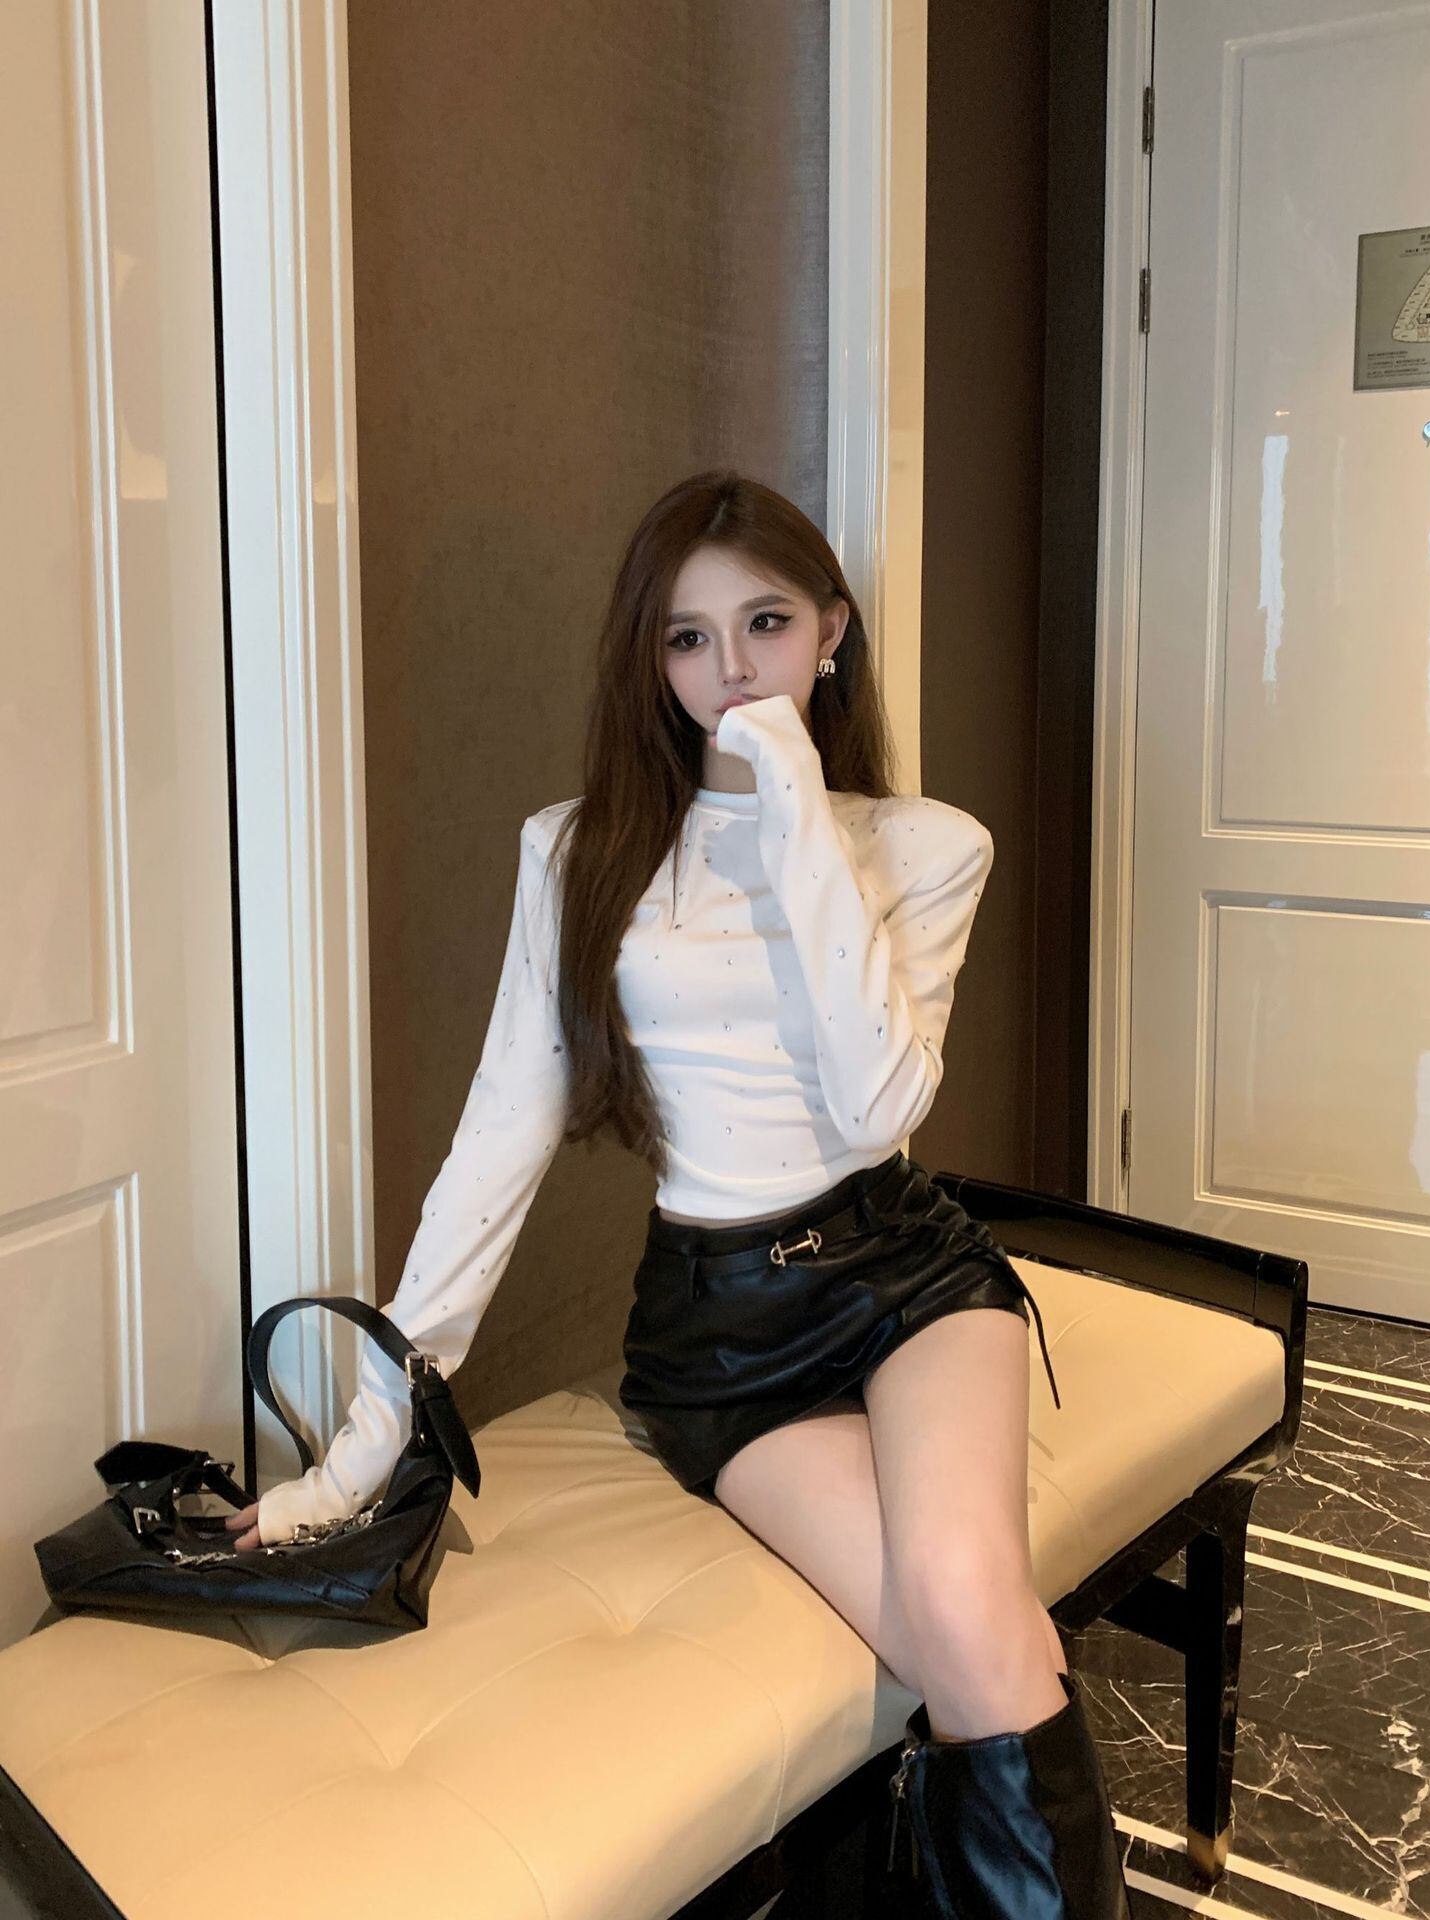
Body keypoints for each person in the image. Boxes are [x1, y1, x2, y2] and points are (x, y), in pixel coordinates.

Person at [225, 470, 1131, 1917]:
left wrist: (795, 806)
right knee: (972, 1638)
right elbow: (495, 1149)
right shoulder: (576, 852)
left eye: (765, 623)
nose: (730, 672)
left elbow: (880, 1108)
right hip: (726, 1334)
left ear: (831, 629)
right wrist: (363, 1448)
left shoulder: (924, 845)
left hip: (908, 1279)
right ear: (649, 659)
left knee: (968, 1610)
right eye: (687, 638)